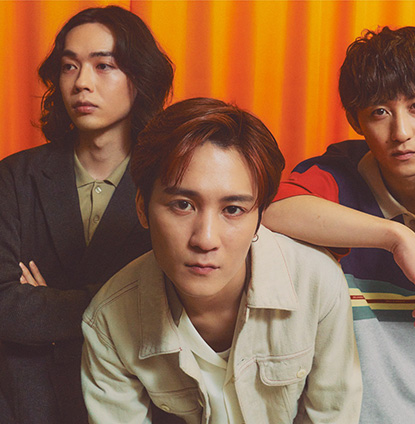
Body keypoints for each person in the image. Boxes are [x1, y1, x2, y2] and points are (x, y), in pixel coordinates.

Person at [80, 97, 362, 424]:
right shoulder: (109, 319)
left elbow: (332, 414)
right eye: (183, 205)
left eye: (233, 210)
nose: (205, 239)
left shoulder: (317, 284)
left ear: (259, 218)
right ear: (142, 208)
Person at [262, 26, 415, 422]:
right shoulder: (337, 176)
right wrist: (397, 237)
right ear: (356, 121)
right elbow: (267, 210)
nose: (401, 132)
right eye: (379, 113)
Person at [0, 5, 173, 423]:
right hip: (26, 400)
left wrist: (46, 302)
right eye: (69, 66)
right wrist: (114, 303)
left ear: (139, 77)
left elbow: (171, 303)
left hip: (133, 400)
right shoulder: (15, 176)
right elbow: (4, 306)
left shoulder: (168, 181)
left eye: (103, 65)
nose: (81, 82)